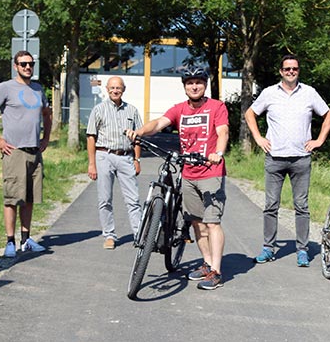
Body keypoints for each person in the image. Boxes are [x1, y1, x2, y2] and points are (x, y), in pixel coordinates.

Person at [126, 67, 229, 290]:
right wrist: (140, 132)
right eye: (190, 83)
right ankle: (207, 263)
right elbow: (158, 124)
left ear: (205, 85)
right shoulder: (179, 110)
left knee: (212, 222)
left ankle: (217, 272)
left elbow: (223, 132)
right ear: (184, 87)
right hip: (189, 173)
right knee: (196, 221)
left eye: (199, 82)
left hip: (211, 172)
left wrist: (217, 154)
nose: (194, 86)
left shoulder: (216, 107)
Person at [244, 54, 330, 267]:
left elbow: (329, 116)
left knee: (301, 206)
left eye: (294, 68)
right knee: (270, 205)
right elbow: (250, 114)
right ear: (281, 71)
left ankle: (302, 250)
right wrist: (258, 138)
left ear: (298, 70)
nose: (291, 72)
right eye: (287, 69)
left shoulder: (309, 93)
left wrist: (319, 140)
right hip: (275, 158)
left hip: (301, 159)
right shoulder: (269, 93)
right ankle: (268, 248)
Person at [0, 50, 52, 258]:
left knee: (29, 198)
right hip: (14, 151)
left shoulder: (38, 89)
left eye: (30, 64)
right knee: (13, 198)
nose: (28, 67)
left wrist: (46, 138)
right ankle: (10, 241)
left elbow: (47, 115)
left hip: (34, 151)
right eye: (23, 64)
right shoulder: (6, 87)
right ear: (15, 66)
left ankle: (26, 239)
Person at [86, 77, 143, 250]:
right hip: (104, 155)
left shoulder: (132, 110)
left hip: (126, 157)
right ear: (107, 89)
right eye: (112, 88)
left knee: (133, 199)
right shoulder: (98, 110)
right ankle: (109, 235)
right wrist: (91, 164)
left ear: (123, 89)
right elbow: (91, 137)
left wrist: (137, 159)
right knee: (105, 199)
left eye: (118, 88)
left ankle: (139, 234)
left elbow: (138, 137)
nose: (115, 91)